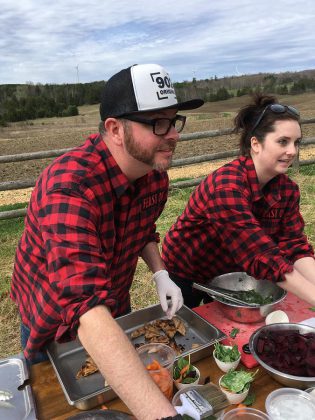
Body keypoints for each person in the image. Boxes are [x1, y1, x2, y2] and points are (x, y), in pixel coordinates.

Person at [10, 63, 204, 420]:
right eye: (157, 123)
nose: (173, 134)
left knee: (119, 390)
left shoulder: (152, 175)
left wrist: (160, 272)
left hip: (113, 302)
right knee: (54, 401)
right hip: (52, 314)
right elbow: (84, 304)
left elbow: (145, 229)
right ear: (115, 129)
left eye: (174, 121)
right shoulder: (68, 187)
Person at [162, 93, 315, 309]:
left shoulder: (288, 191)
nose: (292, 151)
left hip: (229, 270)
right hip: (188, 268)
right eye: (283, 141)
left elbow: (294, 245)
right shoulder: (227, 187)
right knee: (187, 326)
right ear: (256, 144)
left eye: (296, 142)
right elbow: (259, 253)